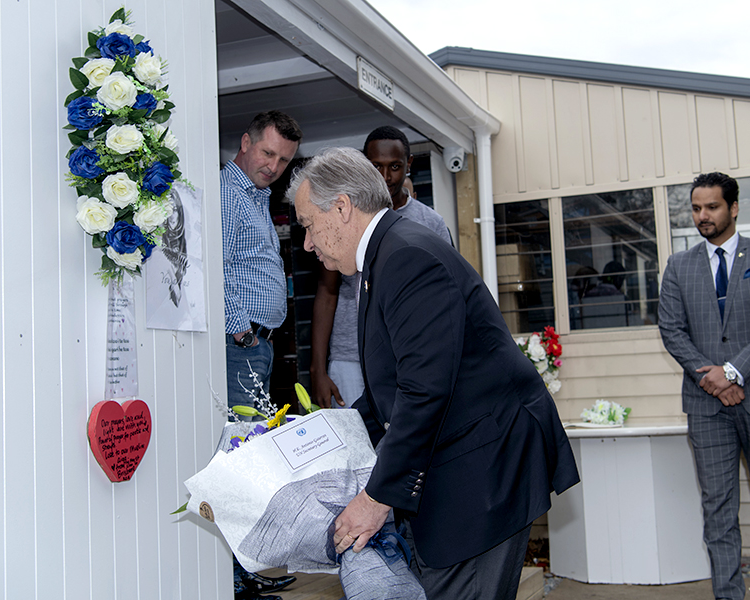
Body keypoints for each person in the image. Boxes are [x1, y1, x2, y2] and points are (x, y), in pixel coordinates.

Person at [288, 147, 579, 600]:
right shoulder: (385, 256)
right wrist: (324, 435)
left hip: (484, 465)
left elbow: (424, 391)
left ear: (342, 207)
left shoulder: (405, 256)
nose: (307, 243)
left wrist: (374, 499)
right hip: (464, 456)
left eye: (307, 224)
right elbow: (397, 385)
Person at [658, 172, 750, 600]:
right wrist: (715, 380)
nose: (703, 216)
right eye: (697, 208)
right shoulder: (678, 266)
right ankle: (728, 594)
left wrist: (734, 371)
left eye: (712, 207)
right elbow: (671, 329)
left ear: (734, 208)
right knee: (717, 506)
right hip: (707, 407)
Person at [310, 126, 452, 409]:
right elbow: (327, 293)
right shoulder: (344, 217)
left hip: (409, 356)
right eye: (376, 167)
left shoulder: (430, 223)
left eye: (395, 167)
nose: (386, 177)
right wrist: (318, 370)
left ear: (409, 165)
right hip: (350, 359)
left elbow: (445, 299)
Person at [221, 110, 303, 600]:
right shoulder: (230, 195)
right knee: (237, 458)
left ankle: (241, 569)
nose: (274, 166)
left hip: (258, 349)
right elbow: (211, 267)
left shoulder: (256, 198)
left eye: (284, 160)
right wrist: (242, 332)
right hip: (242, 349)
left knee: (250, 455)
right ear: (247, 142)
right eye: (268, 153)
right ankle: (233, 577)